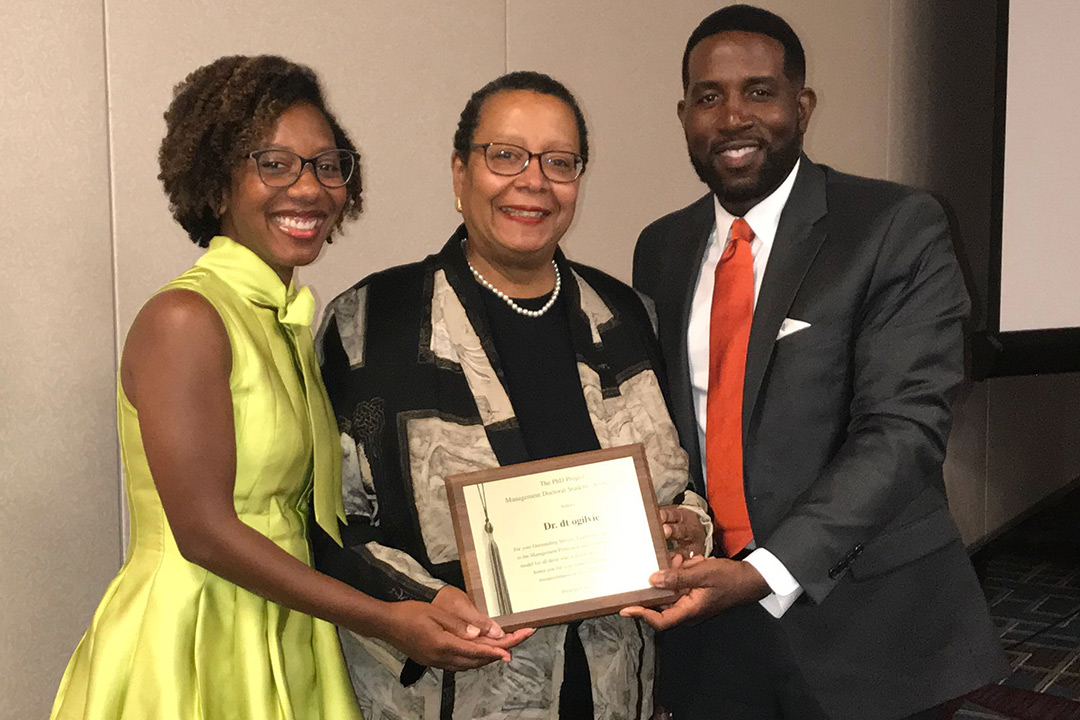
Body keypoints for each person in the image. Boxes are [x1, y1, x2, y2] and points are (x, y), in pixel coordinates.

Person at [51, 55, 527, 720]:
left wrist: (416, 598)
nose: (310, 188)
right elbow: (206, 534)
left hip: (286, 625)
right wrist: (388, 621)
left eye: (327, 165)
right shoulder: (187, 318)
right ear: (216, 181)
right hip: (196, 636)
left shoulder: (282, 324)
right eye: (273, 163)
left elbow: (311, 520)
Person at [623, 6, 1008, 720]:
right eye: (709, 97)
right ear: (683, 115)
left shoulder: (895, 225)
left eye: (760, 92)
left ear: (801, 106)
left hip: (868, 622)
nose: (733, 116)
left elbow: (902, 431)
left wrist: (766, 570)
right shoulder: (661, 249)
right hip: (712, 625)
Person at [312, 70, 707, 719]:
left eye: (560, 161)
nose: (534, 181)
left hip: (611, 689)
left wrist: (690, 526)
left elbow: (680, 484)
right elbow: (326, 520)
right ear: (460, 172)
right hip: (450, 695)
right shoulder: (371, 324)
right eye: (506, 156)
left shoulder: (629, 318)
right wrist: (408, 604)